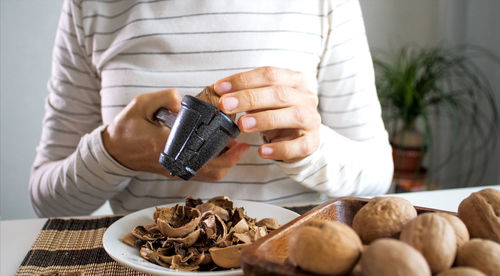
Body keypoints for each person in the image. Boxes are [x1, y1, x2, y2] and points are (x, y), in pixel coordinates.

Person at [30, 0, 394, 217]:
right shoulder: (90, 7)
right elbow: (47, 201)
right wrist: (112, 153)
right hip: (142, 259)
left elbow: (378, 175)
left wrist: (310, 151)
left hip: (281, 258)